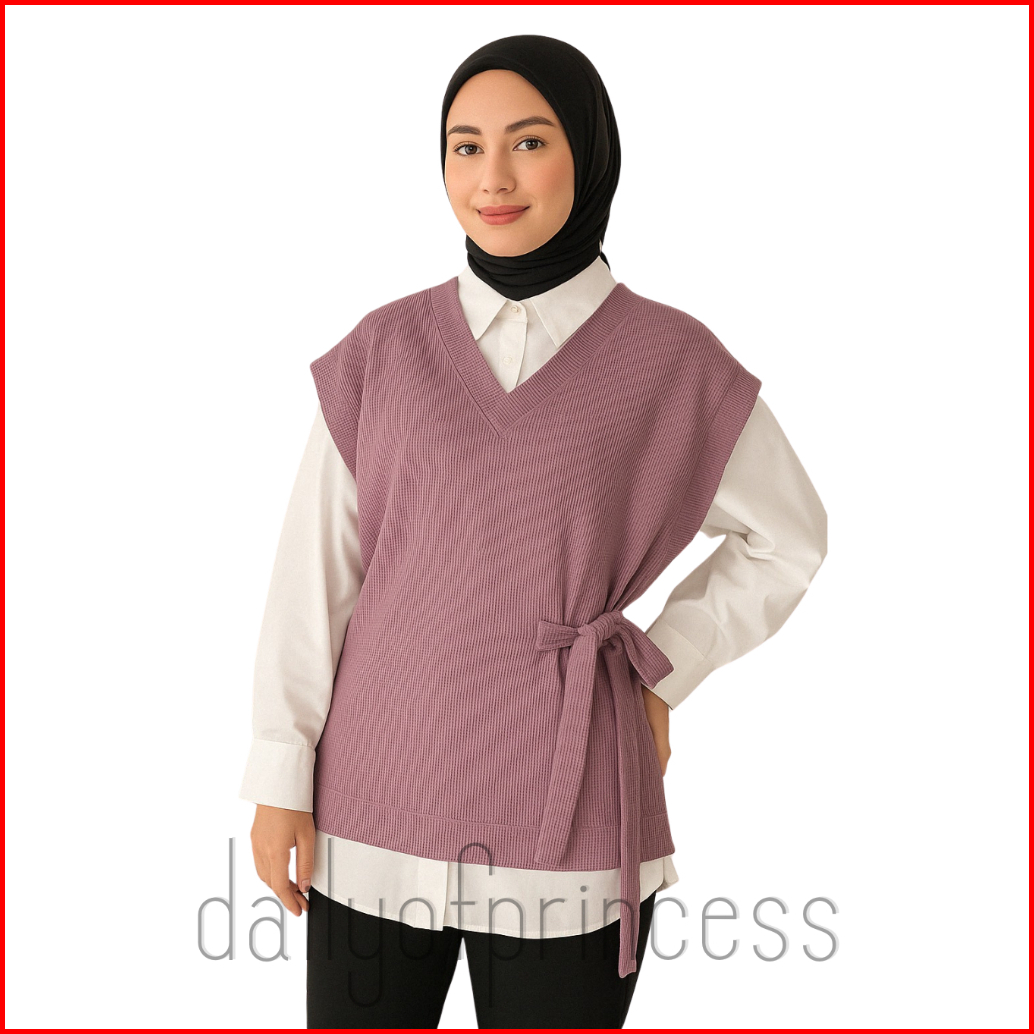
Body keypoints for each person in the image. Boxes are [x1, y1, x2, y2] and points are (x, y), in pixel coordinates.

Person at [239, 34, 827, 1029]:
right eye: (464, 147)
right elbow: (315, 578)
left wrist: (661, 669)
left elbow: (787, 539)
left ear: (588, 154)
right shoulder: (384, 350)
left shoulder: (672, 361)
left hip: (571, 805)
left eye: (528, 142)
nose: (492, 179)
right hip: (375, 800)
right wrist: (278, 772)